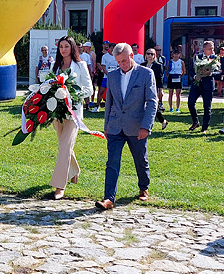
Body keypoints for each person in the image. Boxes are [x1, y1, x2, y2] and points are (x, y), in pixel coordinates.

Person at [95, 42, 157, 210]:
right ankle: (108, 198)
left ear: (131, 56)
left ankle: (144, 187)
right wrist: (106, 125)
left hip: (137, 126)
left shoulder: (146, 74)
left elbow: (152, 102)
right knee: (112, 162)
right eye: (118, 62)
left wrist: (146, 126)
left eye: (123, 60)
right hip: (115, 126)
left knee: (140, 159)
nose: (121, 64)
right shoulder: (113, 76)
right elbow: (109, 102)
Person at [49, 37, 94, 200]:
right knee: (64, 147)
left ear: (72, 48)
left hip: (74, 113)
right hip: (57, 113)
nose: (63, 49)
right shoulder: (56, 66)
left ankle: (60, 186)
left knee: (65, 146)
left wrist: (74, 95)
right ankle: (74, 171)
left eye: (66, 46)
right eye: (61, 46)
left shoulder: (81, 65)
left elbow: (89, 89)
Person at [187, 40, 218, 133]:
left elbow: (219, 72)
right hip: (196, 84)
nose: (211, 50)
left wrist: (210, 73)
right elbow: (191, 70)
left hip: (208, 85)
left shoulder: (215, 58)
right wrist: (194, 76)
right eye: (209, 48)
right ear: (204, 49)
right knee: (190, 103)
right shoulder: (197, 57)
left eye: (212, 48)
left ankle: (204, 127)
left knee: (206, 107)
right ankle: (195, 121)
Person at [144, 48, 168, 130]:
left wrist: (160, 90)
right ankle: (162, 121)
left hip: (153, 88)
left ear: (154, 56)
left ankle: (161, 121)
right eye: (148, 53)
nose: (150, 55)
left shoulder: (158, 66)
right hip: (143, 88)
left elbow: (160, 79)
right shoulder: (142, 65)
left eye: (152, 54)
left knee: (153, 106)